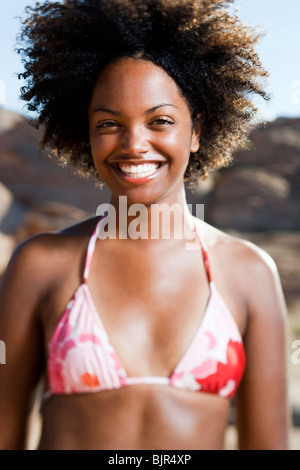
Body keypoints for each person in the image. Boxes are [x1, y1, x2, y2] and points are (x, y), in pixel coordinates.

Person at [0, 0, 289, 450]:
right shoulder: (40, 266)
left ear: (196, 131)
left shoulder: (249, 274)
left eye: (160, 121)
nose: (134, 144)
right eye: (109, 123)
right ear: (87, 134)